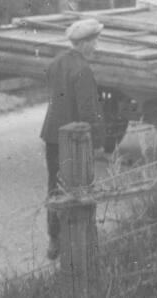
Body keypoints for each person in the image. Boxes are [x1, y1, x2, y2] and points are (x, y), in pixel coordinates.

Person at [39, 18, 105, 260]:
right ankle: (78, 240)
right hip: (74, 138)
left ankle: (54, 239)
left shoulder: (57, 62)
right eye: (94, 41)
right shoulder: (83, 69)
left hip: (52, 134)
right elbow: (88, 110)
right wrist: (97, 139)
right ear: (85, 43)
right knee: (79, 185)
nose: (96, 46)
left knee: (54, 186)